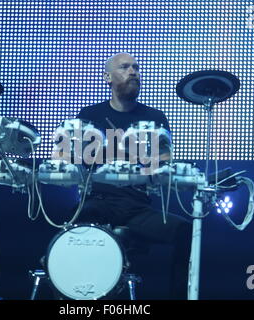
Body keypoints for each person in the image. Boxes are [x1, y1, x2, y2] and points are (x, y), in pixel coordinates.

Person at [74, 53, 192, 299]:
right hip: (98, 202)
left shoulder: (155, 119)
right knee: (68, 229)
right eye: (125, 67)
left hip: (137, 207)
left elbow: (165, 164)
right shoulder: (89, 116)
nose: (133, 72)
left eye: (136, 68)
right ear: (107, 77)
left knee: (186, 232)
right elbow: (76, 163)